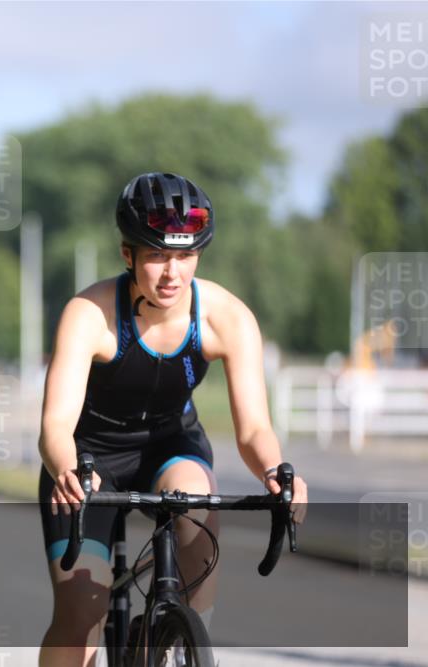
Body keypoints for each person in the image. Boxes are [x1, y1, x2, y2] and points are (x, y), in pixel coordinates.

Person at [37, 172, 308, 666]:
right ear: (128, 255)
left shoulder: (226, 316)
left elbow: (253, 430)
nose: (172, 273)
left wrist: (274, 471)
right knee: (80, 616)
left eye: (185, 256)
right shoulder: (90, 313)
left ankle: (184, 644)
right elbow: (55, 426)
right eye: (157, 255)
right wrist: (68, 469)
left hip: (171, 445)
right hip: (88, 457)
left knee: (199, 511)